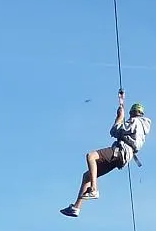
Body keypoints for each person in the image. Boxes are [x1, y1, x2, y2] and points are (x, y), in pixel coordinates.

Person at [62, 89, 150, 217]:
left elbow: (114, 131)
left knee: (91, 156)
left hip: (120, 152)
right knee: (87, 175)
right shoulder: (142, 128)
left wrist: (119, 117)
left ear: (133, 113)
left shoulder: (135, 122)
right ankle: (76, 207)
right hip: (122, 156)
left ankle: (94, 189)